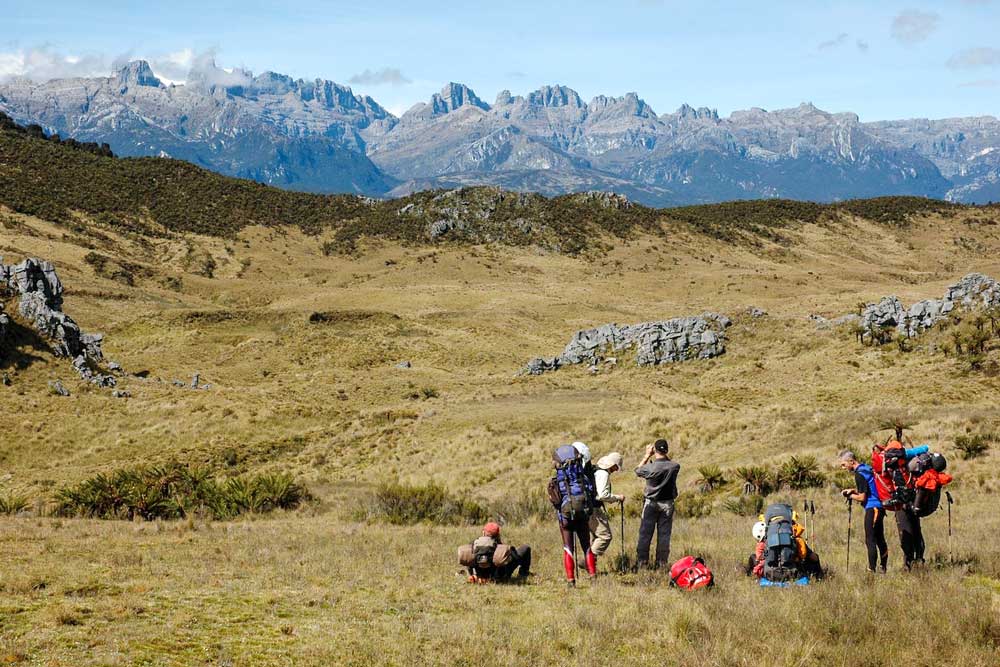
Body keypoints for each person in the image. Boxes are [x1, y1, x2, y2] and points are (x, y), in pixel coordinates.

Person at [549, 444, 598, 587]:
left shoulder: (557, 481)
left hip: (565, 518)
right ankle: (593, 576)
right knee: (586, 546)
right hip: (582, 514)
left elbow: (555, 501)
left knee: (568, 547)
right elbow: (591, 492)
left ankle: (571, 580)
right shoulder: (582, 478)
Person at [839, 450, 888, 573]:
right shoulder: (866, 468)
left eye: (844, 464)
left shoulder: (859, 474)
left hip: (873, 508)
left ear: (851, 461)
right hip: (879, 507)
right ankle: (883, 567)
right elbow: (868, 489)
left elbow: (862, 497)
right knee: (879, 538)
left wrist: (849, 496)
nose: (843, 467)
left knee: (870, 539)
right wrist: (853, 491)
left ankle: (872, 569)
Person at [634, 438, 680, 569]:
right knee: (664, 535)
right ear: (666, 450)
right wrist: (662, 454)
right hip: (667, 504)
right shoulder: (675, 466)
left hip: (651, 504)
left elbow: (637, 471)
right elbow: (669, 461)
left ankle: (642, 563)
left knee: (645, 534)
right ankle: (661, 564)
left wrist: (647, 455)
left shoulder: (650, 468)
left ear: (654, 450)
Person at [465, 522, 531, 583]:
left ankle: (476, 577)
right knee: (526, 548)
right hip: (500, 576)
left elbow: (468, 560)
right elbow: (515, 557)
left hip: (479, 575)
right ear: (497, 534)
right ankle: (523, 573)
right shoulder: (499, 546)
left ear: (483, 532)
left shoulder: (474, 544)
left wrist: (472, 573)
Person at [590, 452, 625, 558]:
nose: (616, 470)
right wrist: (617, 497)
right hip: (594, 509)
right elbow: (602, 495)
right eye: (616, 467)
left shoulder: (596, 470)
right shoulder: (603, 474)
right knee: (605, 536)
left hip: (588, 508)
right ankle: (588, 560)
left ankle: (591, 566)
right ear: (612, 465)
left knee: (596, 536)